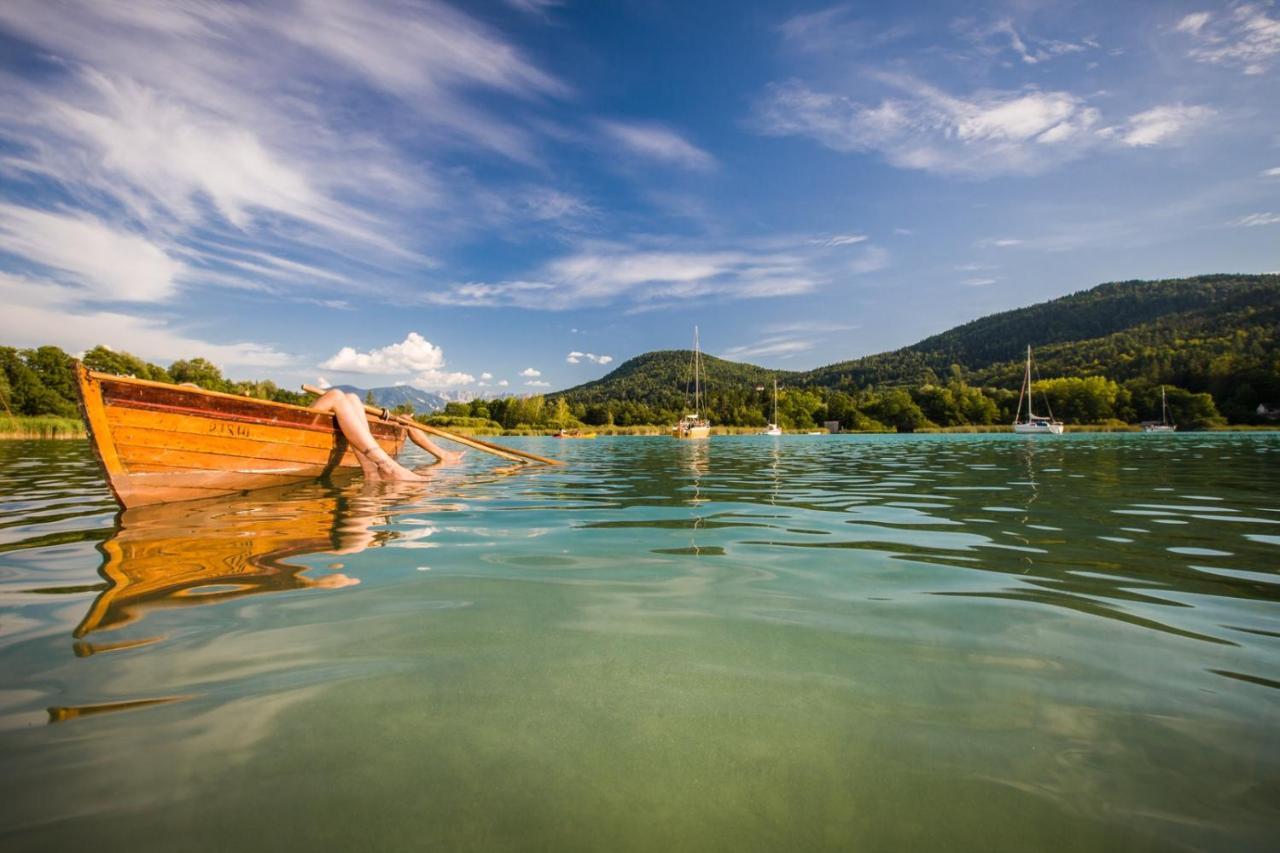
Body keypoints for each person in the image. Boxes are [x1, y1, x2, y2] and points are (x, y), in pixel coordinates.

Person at [310, 389, 464, 481]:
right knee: (337, 395)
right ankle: (388, 467)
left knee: (353, 398)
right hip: (310, 418)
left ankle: (372, 472)